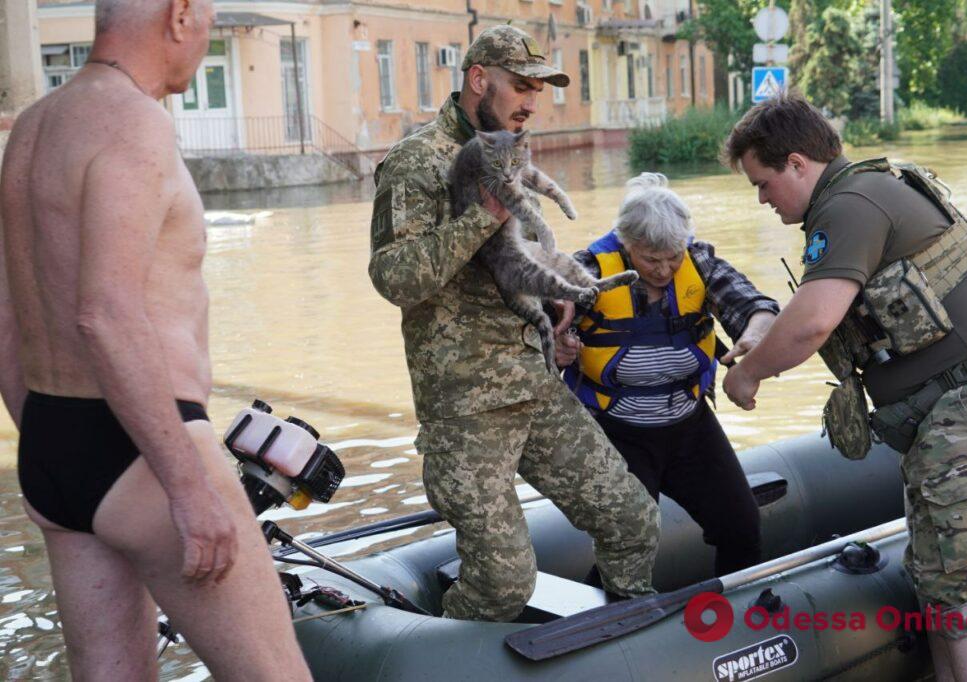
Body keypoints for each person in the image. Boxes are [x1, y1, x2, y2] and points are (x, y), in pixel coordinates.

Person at [0, 1, 311, 679]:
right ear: (179, 15)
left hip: (52, 439)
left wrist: (54, 441)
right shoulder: (136, 124)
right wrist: (189, 488)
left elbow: (8, 311)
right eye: (206, 18)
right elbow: (105, 315)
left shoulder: (31, 129)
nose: (204, 36)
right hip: (145, 445)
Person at [720, 94, 967, 682]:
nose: (761, 199)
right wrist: (762, 344)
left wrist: (749, 373)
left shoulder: (850, 205)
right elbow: (826, 311)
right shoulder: (864, 194)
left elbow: (813, 320)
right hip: (955, 410)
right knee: (939, 578)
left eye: (762, 182)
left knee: (963, 582)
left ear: (798, 164)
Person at [367, 24, 660, 622]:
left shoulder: (508, 150)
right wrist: (484, 215)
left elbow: (514, 262)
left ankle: (625, 643)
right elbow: (395, 278)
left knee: (633, 520)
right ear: (479, 79)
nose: (531, 103)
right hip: (467, 409)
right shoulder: (416, 162)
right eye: (520, 87)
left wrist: (555, 306)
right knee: (503, 581)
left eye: (538, 90)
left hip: (535, 385)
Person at [555, 173, 777, 577]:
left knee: (742, 526)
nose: (663, 269)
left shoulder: (699, 260)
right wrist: (556, 346)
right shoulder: (586, 271)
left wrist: (752, 338)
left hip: (690, 427)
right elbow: (534, 330)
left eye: (672, 256)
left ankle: (737, 618)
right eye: (650, 259)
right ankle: (607, 623)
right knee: (631, 541)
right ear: (625, 243)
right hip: (616, 432)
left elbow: (757, 306)